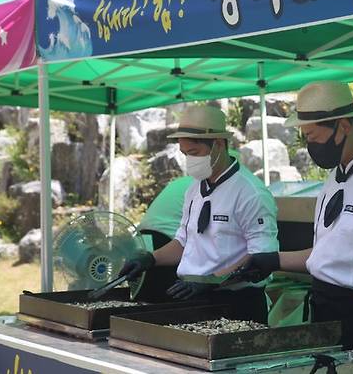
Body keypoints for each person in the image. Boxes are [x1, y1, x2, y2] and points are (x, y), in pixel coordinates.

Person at [230, 82, 353, 372]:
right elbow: (330, 252)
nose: (309, 145)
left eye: (312, 135)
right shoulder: (334, 178)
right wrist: (273, 260)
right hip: (327, 317)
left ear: (343, 126)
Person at [119, 105, 279, 323]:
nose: (189, 161)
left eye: (194, 153)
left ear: (219, 144)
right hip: (194, 297)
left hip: (237, 303)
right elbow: (183, 242)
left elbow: (260, 256)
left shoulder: (250, 192)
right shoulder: (194, 189)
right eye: (185, 154)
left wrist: (212, 280)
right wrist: (150, 258)